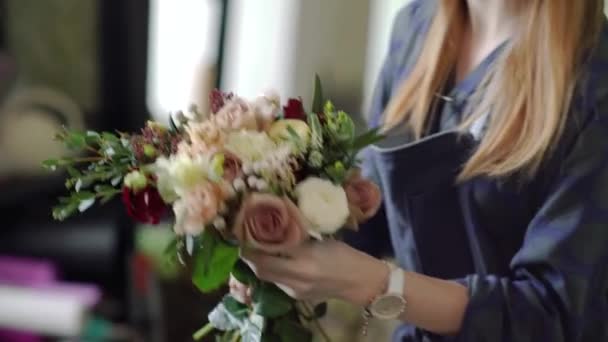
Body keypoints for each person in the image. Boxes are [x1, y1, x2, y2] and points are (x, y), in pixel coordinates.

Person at [242, 0, 608, 340]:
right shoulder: (416, 27)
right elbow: (376, 214)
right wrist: (279, 228)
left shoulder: (595, 82)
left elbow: (551, 314)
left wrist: (378, 284)